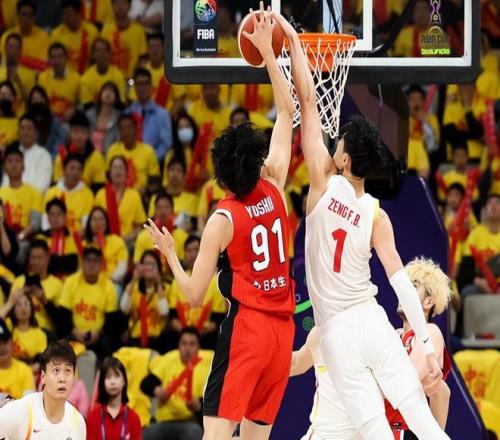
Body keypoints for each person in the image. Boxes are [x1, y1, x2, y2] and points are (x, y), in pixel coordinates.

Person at [275, 11, 449, 439]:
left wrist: (292, 42)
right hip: (372, 319)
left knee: (374, 431)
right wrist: (427, 346)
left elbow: (308, 102)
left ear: (345, 158)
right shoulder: (377, 213)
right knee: (422, 421)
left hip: (336, 330)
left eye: (339, 143)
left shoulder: (321, 183)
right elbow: (401, 283)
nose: (334, 143)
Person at [145, 5, 295, 438]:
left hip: (247, 333)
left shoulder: (222, 220)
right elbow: (287, 113)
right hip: (282, 334)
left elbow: (193, 296)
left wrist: (170, 254)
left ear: (222, 176)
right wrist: (270, 55)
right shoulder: (275, 184)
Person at [386, 258, 453, 438]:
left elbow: (406, 382)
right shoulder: (393, 335)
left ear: (428, 302)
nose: (403, 292)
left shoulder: (431, 332)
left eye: (413, 287)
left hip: (405, 431)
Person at [0, 339, 86, 439]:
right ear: (43, 377)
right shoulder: (19, 412)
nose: (62, 379)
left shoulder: (78, 423)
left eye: (68, 371)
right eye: (56, 370)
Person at [140, 327, 212, 440]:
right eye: (184, 343)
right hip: (164, 422)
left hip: (190, 422)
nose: (187, 348)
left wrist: (198, 407)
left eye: (192, 344)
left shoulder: (207, 367)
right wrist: (156, 390)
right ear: (179, 346)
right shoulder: (169, 359)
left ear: (199, 347)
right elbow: (145, 383)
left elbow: (211, 407)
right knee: (147, 433)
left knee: (194, 432)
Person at [58, 247, 119, 358]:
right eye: (88, 260)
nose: (92, 264)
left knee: (109, 343)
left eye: (95, 261)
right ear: (82, 263)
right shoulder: (71, 281)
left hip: (99, 336)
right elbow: (63, 312)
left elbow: (111, 318)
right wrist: (75, 331)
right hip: (74, 334)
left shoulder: (108, 286)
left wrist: (98, 333)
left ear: (101, 264)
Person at [9, 239, 63, 334]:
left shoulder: (58, 285)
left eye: (39, 258)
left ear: (48, 258)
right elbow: (9, 309)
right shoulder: (19, 281)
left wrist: (44, 300)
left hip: (45, 332)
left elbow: (61, 320)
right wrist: (22, 293)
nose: (35, 262)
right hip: (20, 332)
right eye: (33, 258)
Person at [121, 250, 169, 350]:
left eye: (152, 264)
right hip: (136, 337)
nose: (149, 268)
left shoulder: (166, 288)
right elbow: (124, 308)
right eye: (146, 264)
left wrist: (158, 283)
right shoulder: (133, 287)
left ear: (158, 268)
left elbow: (164, 311)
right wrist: (134, 280)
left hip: (157, 338)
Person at [95, 155, 147, 245]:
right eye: (115, 168)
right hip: (103, 241)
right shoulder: (100, 194)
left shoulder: (134, 195)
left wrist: (128, 238)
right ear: (109, 172)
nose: (118, 171)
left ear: (126, 173)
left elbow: (140, 226)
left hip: (127, 242)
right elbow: (94, 221)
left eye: (121, 168)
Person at [86, 356, 142, 439]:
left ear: (124, 381)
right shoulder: (92, 417)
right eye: (108, 377)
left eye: (116, 376)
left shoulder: (134, 418)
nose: (112, 382)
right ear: (102, 383)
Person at [125, 67, 173, 162]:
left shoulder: (162, 115)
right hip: (129, 162)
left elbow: (166, 144)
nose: (142, 88)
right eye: (139, 84)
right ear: (135, 87)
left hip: (153, 163)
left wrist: (149, 159)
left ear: (151, 86)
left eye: (145, 84)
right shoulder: (128, 113)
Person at [106, 114, 160, 194]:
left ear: (136, 130)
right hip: (117, 194)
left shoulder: (148, 151)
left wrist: (145, 191)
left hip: (142, 195)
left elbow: (155, 183)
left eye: (129, 128)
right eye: (123, 129)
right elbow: (108, 179)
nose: (126, 133)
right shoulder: (113, 150)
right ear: (119, 132)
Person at [53, 111, 106, 192]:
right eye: (76, 131)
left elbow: (100, 189)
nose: (79, 136)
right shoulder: (61, 155)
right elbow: (57, 186)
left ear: (88, 134)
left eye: (82, 132)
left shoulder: (96, 157)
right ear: (70, 133)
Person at [43, 153, 94, 233]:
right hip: (53, 235)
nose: (75, 172)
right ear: (64, 169)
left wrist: (73, 239)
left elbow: (86, 225)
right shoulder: (51, 192)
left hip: (77, 237)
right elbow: (45, 223)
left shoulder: (88, 194)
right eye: (72, 168)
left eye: (79, 169)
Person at [1, 113, 52, 194]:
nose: (26, 132)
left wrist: (23, 196)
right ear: (18, 133)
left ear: (36, 133)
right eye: (22, 128)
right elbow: (5, 182)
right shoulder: (11, 155)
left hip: (34, 199)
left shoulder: (44, 155)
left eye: (29, 128)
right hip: (10, 199)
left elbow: (42, 185)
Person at [50, 0, 98, 75]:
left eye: (69, 15)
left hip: (87, 77)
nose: (65, 18)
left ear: (79, 14)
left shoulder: (92, 32)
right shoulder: (56, 34)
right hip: (65, 78)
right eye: (64, 14)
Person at [83, 206, 128, 286]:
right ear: (89, 223)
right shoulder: (84, 244)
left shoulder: (117, 241)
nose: (98, 222)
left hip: (112, 282)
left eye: (101, 219)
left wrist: (109, 280)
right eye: (94, 219)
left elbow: (122, 267)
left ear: (106, 222)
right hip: (89, 282)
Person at [101, 0, 147, 77]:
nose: (120, 7)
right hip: (110, 78)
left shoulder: (139, 30)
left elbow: (142, 58)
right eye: (117, 3)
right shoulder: (106, 30)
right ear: (112, 6)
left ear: (129, 6)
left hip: (132, 78)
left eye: (123, 3)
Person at [38, 42, 81, 121]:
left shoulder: (77, 78)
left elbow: (82, 104)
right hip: (48, 120)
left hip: (70, 121)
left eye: (60, 57)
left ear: (66, 58)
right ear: (49, 59)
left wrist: (74, 109)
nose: (57, 61)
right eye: (53, 57)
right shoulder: (42, 78)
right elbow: (39, 103)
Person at [81, 38, 126, 107]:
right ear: (93, 55)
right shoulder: (86, 78)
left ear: (109, 54)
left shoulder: (118, 75)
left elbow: (121, 102)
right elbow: (87, 105)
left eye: (105, 50)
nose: (102, 54)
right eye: (98, 50)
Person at [0, 317, 35, 399]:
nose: (1, 348)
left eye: (5, 342)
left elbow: (28, 402)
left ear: (11, 343)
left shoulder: (25, 370)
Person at [86, 81, 124, 153]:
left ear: (116, 98)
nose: (108, 93)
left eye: (111, 91)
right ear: (100, 95)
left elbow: (119, 142)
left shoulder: (119, 118)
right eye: (105, 90)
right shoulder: (89, 115)